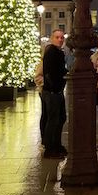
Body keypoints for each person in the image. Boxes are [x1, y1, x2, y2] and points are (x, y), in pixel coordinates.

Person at [42, 30, 67, 159]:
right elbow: (49, 72)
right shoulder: (51, 52)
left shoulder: (58, 52)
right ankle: (50, 148)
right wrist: (54, 87)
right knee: (53, 120)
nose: (60, 39)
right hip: (52, 92)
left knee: (61, 118)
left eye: (62, 37)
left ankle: (57, 145)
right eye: (57, 37)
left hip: (57, 91)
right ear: (52, 38)